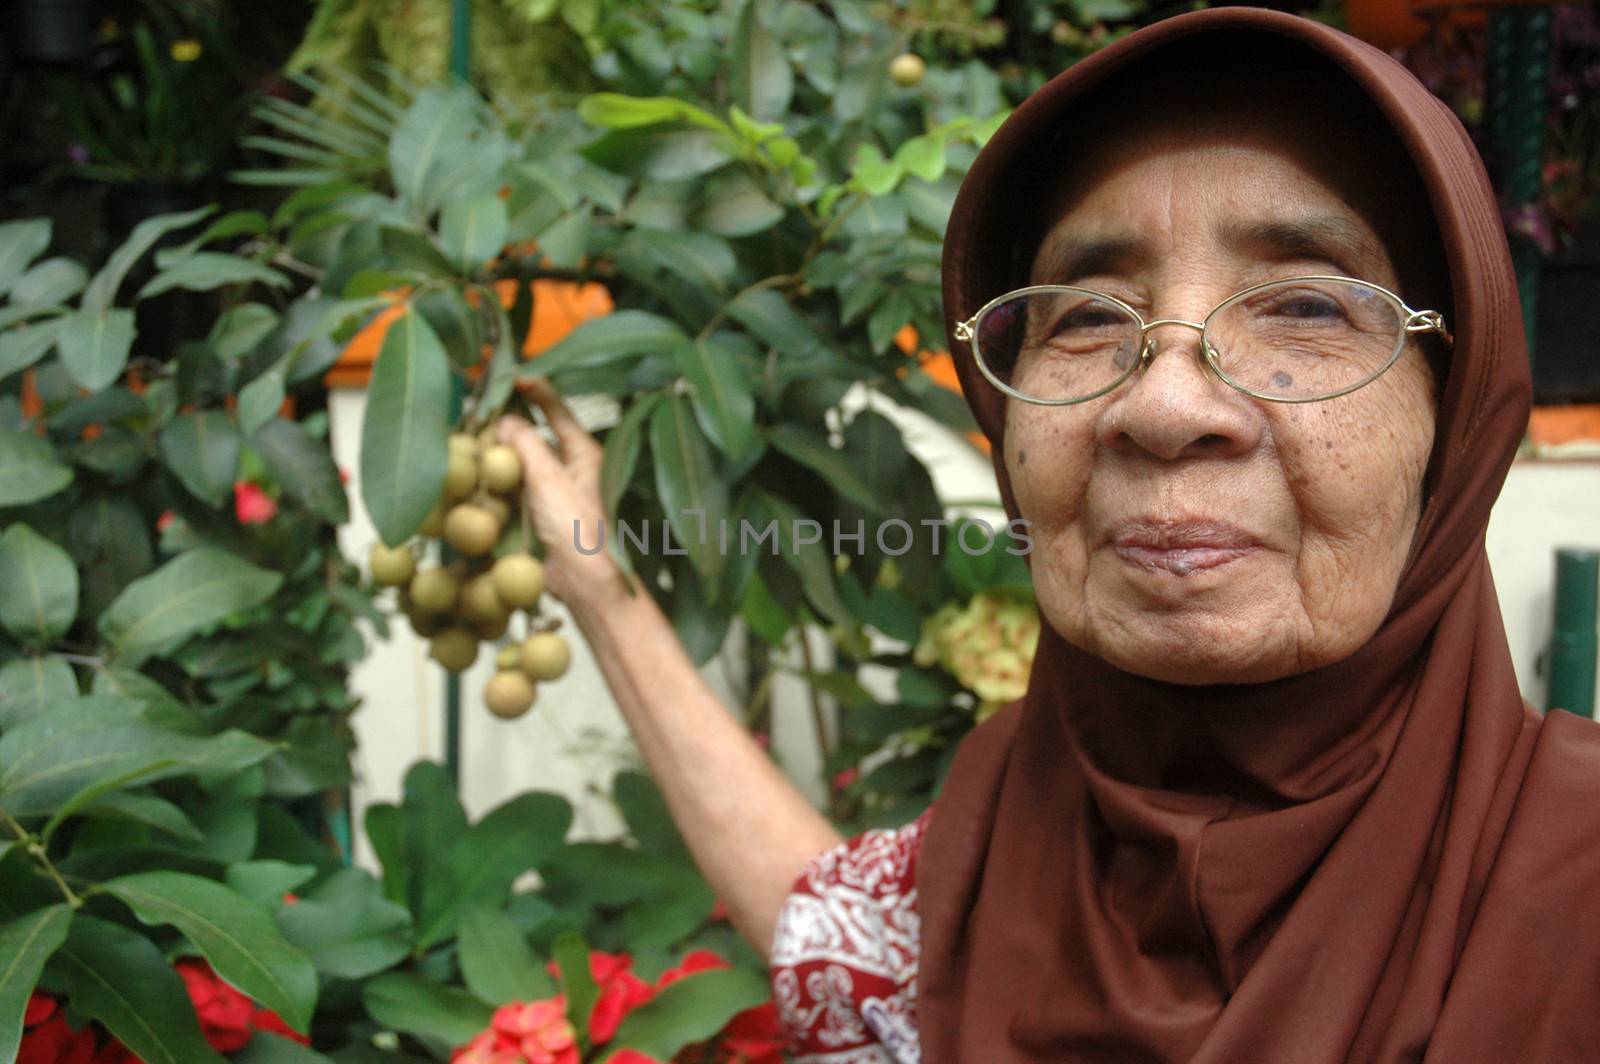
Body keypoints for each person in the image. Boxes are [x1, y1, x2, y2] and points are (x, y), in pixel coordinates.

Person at [498, 7, 1600, 1062]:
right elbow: (825, 936)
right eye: (1084, 318)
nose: (1163, 408)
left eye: (1305, 307)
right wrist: (601, 586)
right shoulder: (986, 867)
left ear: (1457, 418)